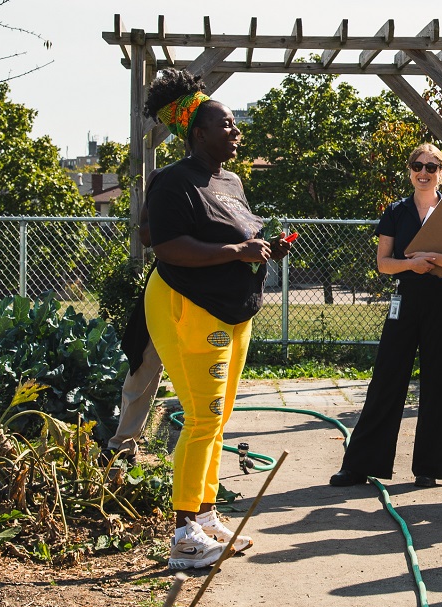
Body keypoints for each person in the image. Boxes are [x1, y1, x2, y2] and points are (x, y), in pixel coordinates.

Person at [142, 68, 294, 569]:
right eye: (225, 124)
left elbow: (235, 236)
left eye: (234, 124)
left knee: (218, 418)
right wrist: (235, 249)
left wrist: (260, 249)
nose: (236, 131)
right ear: (198, 132)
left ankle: (206, 517)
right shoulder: (172, 181)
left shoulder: (230, 180)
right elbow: (167, 247)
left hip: (234, 311)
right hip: (188, 306)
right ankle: (183, 535)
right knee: (203, 416)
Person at [329, 143, 442, 489]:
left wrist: (433, 257)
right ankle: (360, 465)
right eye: (417, 166)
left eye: (431, 166)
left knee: (439, 384)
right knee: (386, 380)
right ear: (410, 171)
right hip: (406, 300)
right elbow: (384, 263)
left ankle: (430, 466)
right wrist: (411, 264)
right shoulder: (396, 211)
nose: (423, 173)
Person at [106, 201, 164, 464]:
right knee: (144, 362)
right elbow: (147, 234)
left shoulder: (227, 185)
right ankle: (122, 445)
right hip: (168, 285)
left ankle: (202, 443)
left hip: (208, 297)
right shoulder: (165, 179)